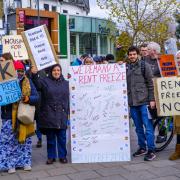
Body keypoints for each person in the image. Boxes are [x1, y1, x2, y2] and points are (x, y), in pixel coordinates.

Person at [0, 60, 39, 174]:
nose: (19, 73)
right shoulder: (3, 82)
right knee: (8, 142)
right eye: (17, 71)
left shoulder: (28, 82)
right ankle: (10, 164)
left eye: (21, 70)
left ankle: (25, 162)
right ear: (12, 72)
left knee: (25, 141)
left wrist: (28, 99)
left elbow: (36, 97)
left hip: (24, 116)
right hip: (8, 117)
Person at [31, 64, 69, 164]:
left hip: (62, 114)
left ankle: (62, 156)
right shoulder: (45, 81)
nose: (56, 72)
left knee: (62, 138)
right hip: (49, 114)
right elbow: (37, 85)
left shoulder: (66, 83)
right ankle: (51, 157)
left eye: (58, 70)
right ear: (51, 72)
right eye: (54, 70)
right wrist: (34, 74)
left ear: (61, 72)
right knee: (51, 138)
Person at [126, 46, 156, 161]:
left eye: (134, 54)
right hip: (132, 103)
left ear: (138, 55)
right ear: (128, 56)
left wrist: (152, 100)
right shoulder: (126, 67)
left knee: (148, 127)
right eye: (130, 54)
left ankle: (151, 150)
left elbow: (150, 84)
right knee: (138, 128)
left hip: (144, 103)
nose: (132, 56)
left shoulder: (145, 66)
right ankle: (142, 147)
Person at [169, 51, 180, 160]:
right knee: (178, 129)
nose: (179, 60)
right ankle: (178, 151)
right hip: (177, 106)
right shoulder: (173, 71)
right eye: (177, 58)